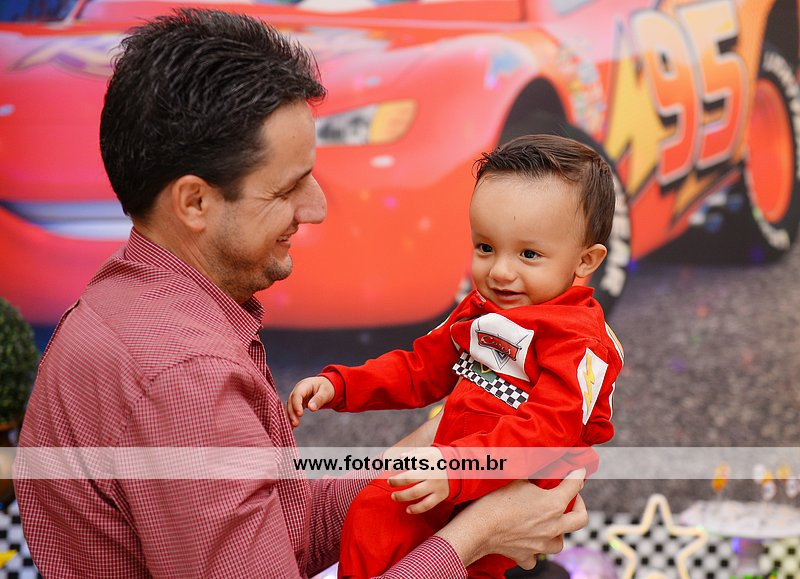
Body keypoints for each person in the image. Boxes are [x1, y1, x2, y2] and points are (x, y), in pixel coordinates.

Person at [13, 9, 588, 578]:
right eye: (287, 188)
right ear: (194, 202)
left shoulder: (130, 308)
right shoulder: (186, 380)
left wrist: (418, 459)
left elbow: (277, 533)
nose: (316, 207)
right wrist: (473, 537)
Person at [288, 134, 624, 578]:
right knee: (374, 512)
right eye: (485, 247)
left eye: (528, 254)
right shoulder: (480, 311)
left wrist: (458, 467)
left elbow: (547, 430)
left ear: (586, 260)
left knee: (470, 566)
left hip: (516, 488)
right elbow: (419, 368)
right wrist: (342, 385)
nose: (500, 271)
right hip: (448, 469)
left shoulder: (581, 342)